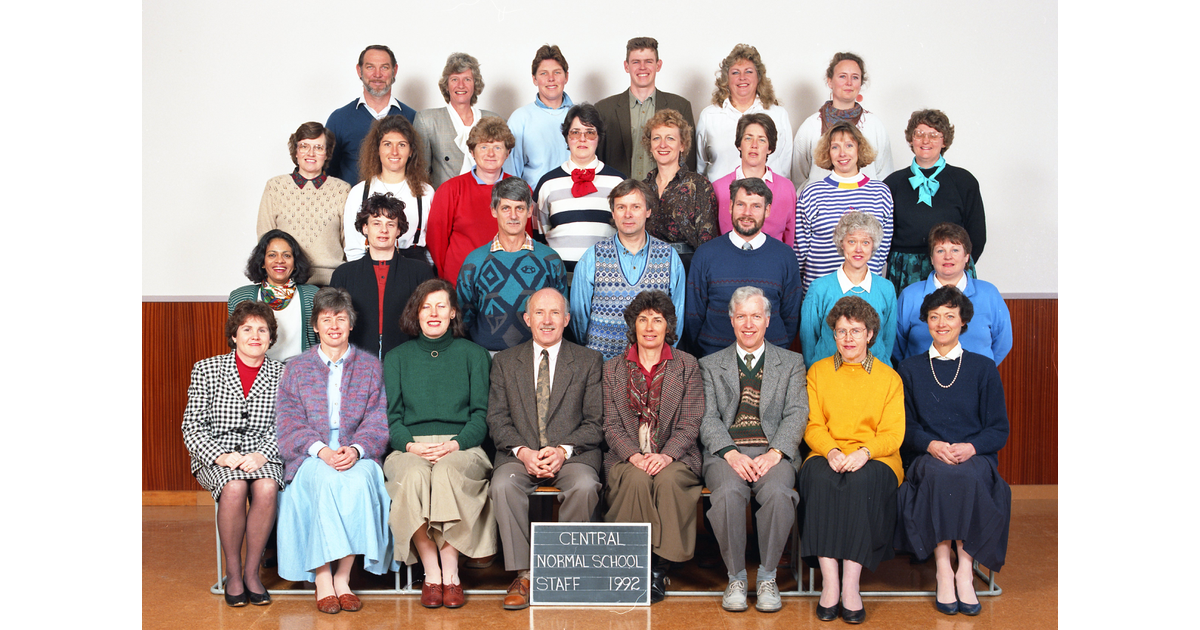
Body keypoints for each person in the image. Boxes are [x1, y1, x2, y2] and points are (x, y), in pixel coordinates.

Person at [274, 287, 395, 614]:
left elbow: (378, 420)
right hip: (310, 454)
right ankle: (322, 577)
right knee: (326, 482)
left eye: (340, 318)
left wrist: (356, 449)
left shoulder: (370, 366)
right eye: (326, 319)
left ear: (351, 324)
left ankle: (343, 577)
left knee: (357, 483)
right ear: (315, 326)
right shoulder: (296, 368)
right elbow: (288, 422)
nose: (334, 325)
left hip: (358, 451)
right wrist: (321, 451)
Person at [895, 286, 1011, 617]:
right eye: (934, 317)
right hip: (927, 455)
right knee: (937, 474)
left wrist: (972, 447)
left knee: (968, 477)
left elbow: (998, 429)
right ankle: (944, 567)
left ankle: (966, 570)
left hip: (974, 455)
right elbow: (907, 427)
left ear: (963, 322)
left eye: (949, 316)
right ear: (925, 323)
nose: (941, 323)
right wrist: (931, 445)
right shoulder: (909, 368)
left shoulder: (983, 368)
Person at [486, 288, 605, 610]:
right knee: (502, 485)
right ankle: (525, 574)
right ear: (527, 319)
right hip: (518, 454)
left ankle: (562, 572)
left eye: (555, 313)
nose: (547, 320)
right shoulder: (505, 362)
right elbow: (497, 419)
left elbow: (596, 422)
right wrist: (523, 452)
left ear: (567, 319)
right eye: (539, 313)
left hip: (573, 455)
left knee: (584, 485)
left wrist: (563, 450)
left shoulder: (589, 361)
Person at [382, 279, 496, 609]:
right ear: (415, 314)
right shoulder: (396, 358)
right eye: (426, 307)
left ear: (453, 312)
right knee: (413, 477)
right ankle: (432, 574)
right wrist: (411, 447)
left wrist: (455, 444)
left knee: (447, 474)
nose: (433, 313)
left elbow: (480, 415)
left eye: (441, 306)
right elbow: (392, 419)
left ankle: (451, 574)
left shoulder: (474, 355)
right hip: (410, 448)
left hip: (462, 447)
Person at [698, 287, 807, 613]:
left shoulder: (791, 362)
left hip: (774, 451)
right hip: (726, 453)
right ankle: (735, 578)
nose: (749, 324)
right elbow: (706, 417)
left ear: (767, 320)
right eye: (741, 316)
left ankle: (767, 576)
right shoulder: (710, 364)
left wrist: (775, 453)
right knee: (729, 494)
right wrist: (730, 452)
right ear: (731, 320)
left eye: (755, 316)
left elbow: (797, 412)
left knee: (777, 493)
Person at [799, 296, 904, 624]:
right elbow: (813, 425)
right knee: (819, 481)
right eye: (841, 331)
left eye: (855, 331)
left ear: (871, 334)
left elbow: (893, 434)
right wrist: (831, 450)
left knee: (859, 485)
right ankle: (830, 583)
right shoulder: (818, 372)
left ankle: (851, 586)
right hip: (826, 452)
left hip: (876, 456)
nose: (847, 338)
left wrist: (863, 453)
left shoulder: (889, 379)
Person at [602, 291, 703, 604]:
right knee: (635, 479)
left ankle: (659, 567)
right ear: (633, 326)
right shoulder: (612, 369)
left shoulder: (687, 366)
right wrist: (634, 455)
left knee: (669, 479)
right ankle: (634, 565)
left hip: (675, 454)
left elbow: (690, 422)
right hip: (625, 456)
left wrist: (666, 455)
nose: (649, 326)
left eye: (657, 320)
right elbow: (609, 425)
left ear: (668, 326)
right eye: (642, 319)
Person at [181, 302, 285, 607]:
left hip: (264, 453)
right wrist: (221, 456)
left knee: (266, 487)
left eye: (262, 329)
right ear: (234, 335)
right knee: (235, 486)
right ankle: (234, 573)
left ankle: (252, 573)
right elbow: (192, 427)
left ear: (270, 337)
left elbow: (289, 425)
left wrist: (264, 454)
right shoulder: (207, 369)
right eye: (247, 329)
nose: (255, 335)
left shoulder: (284, 373)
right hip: (218, 455)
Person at [570, 179, 685, 360]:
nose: (628, 214)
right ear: (613, 213)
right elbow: (578, 318)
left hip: (651, 368)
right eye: (621, 207)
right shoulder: (592, 257)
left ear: (648, 211)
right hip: (601, 366)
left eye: (636, 207)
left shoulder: (670, 258)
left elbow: (676, 318)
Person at [685, 178, 801, 358]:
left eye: (756, 206)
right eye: (741, 204)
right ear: (730, 206)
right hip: (714, 360)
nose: (747, 213)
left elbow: (791, 317)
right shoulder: (705, 255)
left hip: (770, 361)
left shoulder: (785, 257)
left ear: (767, 210)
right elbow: (693, 316)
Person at [457, 177, 567, 353]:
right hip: (486, 355)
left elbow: (562, 314)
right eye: (506, 208)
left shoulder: (550, 260)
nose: (513, 216)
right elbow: (462, 319)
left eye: (520, 208)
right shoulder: (474, 261)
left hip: (536, 356)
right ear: (494, 211)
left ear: (530, 210)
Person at [884, 109, 986, 295]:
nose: (926, 141)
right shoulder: (892, 183)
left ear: (944, 140)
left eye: (933, 135)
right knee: (909, 321)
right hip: (905, 270)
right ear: (910, 139)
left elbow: (977, 236)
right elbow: (882, 235)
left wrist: (954, 265)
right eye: (919, 134)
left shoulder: (964, 181)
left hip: (950, 268)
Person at [330, 193, 435, 359]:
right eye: (376, 223)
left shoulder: (420, 272)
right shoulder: (344, 274)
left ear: (399, 230)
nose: (383, 230)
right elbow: (332, 323)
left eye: (391, 224)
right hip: (356, 359)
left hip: (408, 358)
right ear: (365, 227)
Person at [794, 121, 893, 296]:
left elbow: (882, 249)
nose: (842, 153)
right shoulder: (812, 192)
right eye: (835, 147)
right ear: (828, 152)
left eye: (849, 145)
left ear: (859, 149)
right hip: (821, 291)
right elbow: (800, 250)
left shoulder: (880, 192)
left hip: (865, 291)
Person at [894, 223, 1011, 365]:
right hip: (922, 381)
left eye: (955, 250)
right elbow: (897, 345)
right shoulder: (910, 295)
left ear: (967, 256)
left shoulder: (989, 293)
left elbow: (1002, 343)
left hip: (975, 380)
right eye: (940, 251)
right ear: (931, 258)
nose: (947, 257)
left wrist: (980, 371)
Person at [426, 117, 523, 286]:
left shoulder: (521, 189)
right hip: (461, 282)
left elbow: (525, 239)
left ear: (507, 153)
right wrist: (448, 279)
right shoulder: (450, 190)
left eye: (497, 147)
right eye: (483, 146)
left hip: (508, 282)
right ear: (472, 151)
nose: (490, 153)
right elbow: (436, 242)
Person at [256, 122, 350, 286]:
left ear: (327, 153)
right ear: (296, 152)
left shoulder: (342, 190)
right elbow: (265, 240)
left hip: (332, 283)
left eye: (318, 148)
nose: (311, 153)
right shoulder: (275, 187)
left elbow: (349, 243)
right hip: (285, 282)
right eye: (304, 146)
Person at [533, 103, 626, 269]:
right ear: (567, 137)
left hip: (606, 277)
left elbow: (627, 233)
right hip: (559, 278)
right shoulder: (547, 183)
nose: (582, 139)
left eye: (589, 133)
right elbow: (538, 236)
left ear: (599, 137)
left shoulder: (618, 182)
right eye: (575, 132)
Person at [799, 212, 896, 368]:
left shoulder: (886, 289)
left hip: (874, 377)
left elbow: (888, 340)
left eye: (865, 242)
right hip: (828, 376)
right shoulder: (819, 288)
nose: (859, 249)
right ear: (841, 243)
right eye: (852, 241)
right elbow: (809, 342)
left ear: (873, 245)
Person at [594, 37, 697, 180]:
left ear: (658, 65)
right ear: (626, 66)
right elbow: (597, 160)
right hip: (620, 195)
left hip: (667, 196)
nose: (642, 67)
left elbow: (689, 161)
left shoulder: (680, 106)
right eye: (636, 62)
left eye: (648, 61)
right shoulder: (604, 109)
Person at [791, 52, 893, 191]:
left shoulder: (874, 126)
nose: (849, 83)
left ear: (861, 83)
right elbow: (798, 179)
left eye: (855, 77)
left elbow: (885, 177)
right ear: (830, 81)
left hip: (864, 208)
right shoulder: (811, 126)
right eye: (842, 76)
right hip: (823, 208)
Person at [342, 115, 435, 264]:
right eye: (387, 144)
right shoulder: (359, 192)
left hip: (415, 267)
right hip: (370, 266)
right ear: (377, 149)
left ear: (411, 151)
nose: (394, 152)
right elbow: (353, 249)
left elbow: (432, 247)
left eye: (402, 145)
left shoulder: (426, 192)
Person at [695, 44, 793, 180]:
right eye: (735, 72)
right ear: (726, 79)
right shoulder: (709, 116)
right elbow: (700, 169)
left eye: (748, 71)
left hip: (767, 198)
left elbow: (785, 169)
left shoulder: (778, 115)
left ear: (758, 77)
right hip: (719, 198)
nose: (742, 77)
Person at [325, 45, 418, 184]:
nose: (377, 74)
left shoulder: (413, 118)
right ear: (359, 70)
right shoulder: (339, 119)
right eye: (370, 67)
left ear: (395, 71)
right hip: (352, 203)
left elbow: (419, 168)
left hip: (401, 203)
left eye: (384, 67)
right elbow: (327, 172)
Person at [641, 108, 718, 270]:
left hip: (687, 267)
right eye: (657, 138)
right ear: (650, 145)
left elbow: (707, 242)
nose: (663, 144)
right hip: (646, 267)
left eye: (670, 138)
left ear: (682, 145)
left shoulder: (698, 185)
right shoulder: (642, 188)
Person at [414, 53, 502, 190]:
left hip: (488, 202)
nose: (461, 85)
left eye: (467, 79)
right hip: (446, 203)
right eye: (454, 79)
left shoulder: (494, 120)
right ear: (447, 85)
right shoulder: (428, 121)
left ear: (475, 84)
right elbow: (420, 174)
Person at [228, 229, 318, 362]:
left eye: (287, 255)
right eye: (272, 255)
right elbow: (236, 346)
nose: (280, 260)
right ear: (262, 262)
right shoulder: (240, 297)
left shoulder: (312, 295)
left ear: (294, 263)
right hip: (259, 372)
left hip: (301, 372)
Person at [713, 113, 797, 245]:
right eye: (748, 138)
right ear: (739, 144)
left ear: (770, 148)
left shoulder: (786, 188)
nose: (754, 145)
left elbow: (789, 238)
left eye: (762, 140)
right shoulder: (718, 188)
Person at [503, 45, 575, 191]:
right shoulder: (520, 119)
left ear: (566, 77)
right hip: (536, 206)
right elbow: (511, 174)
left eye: (557, 72)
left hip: (576, 204)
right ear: (534, 79)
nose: (551, 79)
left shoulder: (581, 117)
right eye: (543, 73)